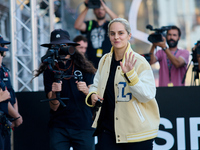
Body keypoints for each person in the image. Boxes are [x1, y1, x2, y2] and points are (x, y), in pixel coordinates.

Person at [85, 18, 160, 150]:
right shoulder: (104, 60)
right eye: (112, 33)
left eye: (121, 33)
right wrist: (92, 94)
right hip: (107, 131)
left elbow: (147, 95)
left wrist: (131, 75)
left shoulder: (139, 61)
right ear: (108, 36)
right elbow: (96, 84)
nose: (116, 37)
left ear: (129, 36)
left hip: (137, 134)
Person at [34, 29, 96, 150]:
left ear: (69, 46)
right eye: (56, 46)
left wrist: (86, 91)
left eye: (63, 45)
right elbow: (54, 106)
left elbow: (94, 98)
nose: (61, 49)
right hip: (59, 126)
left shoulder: (84, 66)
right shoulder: (49, 70)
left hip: (83, 124)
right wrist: (55, 91)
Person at [74, 0, 118, 68]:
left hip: (108, 63)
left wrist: (106, 8)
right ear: (94, 11)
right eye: (97, 9)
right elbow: (77, 25)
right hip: (90, 63)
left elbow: (120, 22)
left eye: (102, 9)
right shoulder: (90, 24)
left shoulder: (110, 25)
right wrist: (87, 7)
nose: (100, 11)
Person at [0, 36, 23, 150]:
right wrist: (16, 116)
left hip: (6, 122)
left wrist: (15, 115)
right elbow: (3, 97)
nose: (6, 47)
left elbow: (11, 94)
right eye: (3, 45)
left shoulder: (3, 69)